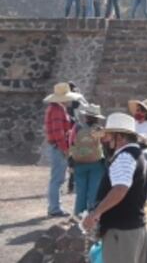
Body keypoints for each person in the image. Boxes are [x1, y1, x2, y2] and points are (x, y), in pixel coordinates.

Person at [81, 113, 147, 263]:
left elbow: (120, 189)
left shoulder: (125, 157)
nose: (105, 139)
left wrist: (95, 214)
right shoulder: (137, 155)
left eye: (108, 136)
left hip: (121, 230)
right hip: (131, 227)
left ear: (119, 137)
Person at [44, 82, 81, 217]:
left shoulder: (56, 108)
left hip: (57, 146)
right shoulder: (57, 110)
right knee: (57, 179)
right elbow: (59, 133)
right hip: (59, 147)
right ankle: (54, 208)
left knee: (57, 179)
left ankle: (54, 207)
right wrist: (65, 149)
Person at [69, 103, 106, 216]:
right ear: (97, 118)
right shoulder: (99, 130)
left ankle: (78, 216)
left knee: (81, 192)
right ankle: (92, 216)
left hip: (79, 162)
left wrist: (71, 161)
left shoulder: (77, 127)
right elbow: (105, 144)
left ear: (86, 116)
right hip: (96, 163)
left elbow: (71, 143)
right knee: (93, 192)